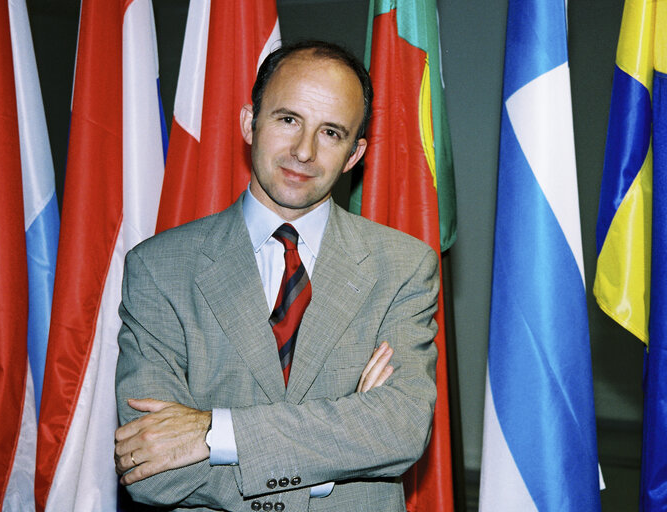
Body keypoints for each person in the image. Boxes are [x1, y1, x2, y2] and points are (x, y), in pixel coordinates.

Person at [114, 41, 439, 511]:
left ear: (354, 154)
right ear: (250, 123)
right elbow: (149, 469)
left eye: (331, 132)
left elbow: (399, 429)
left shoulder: (404, 267)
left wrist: (213, 431)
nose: (304, 151)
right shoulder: (159, 269)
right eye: (288, 120)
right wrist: (341, 453)